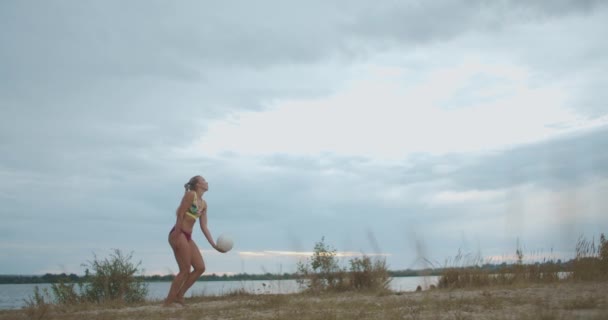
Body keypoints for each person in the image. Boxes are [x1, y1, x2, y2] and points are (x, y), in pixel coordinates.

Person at [164, 175, 225, 306]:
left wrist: (214, 245)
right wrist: (176, 234)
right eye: (203, 180)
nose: (206, 182)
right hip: (178, 233)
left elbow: (204, 227)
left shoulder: (203, 204)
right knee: (185, 269)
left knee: (200, 267)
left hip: (188, 237)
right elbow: (180, 214)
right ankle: (168, 303)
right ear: (197, 184)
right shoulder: (191, 195)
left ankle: (179, 296)